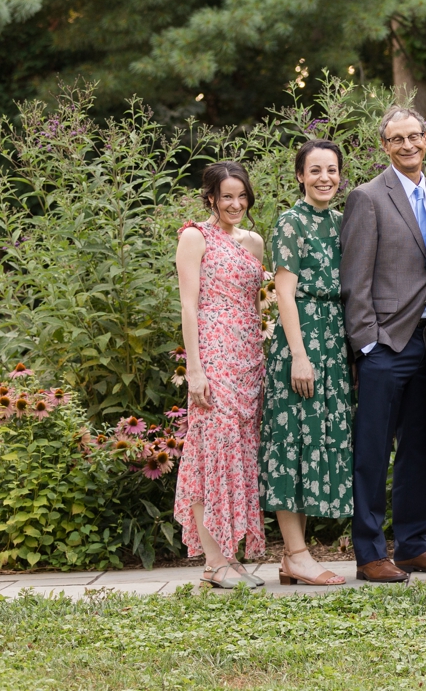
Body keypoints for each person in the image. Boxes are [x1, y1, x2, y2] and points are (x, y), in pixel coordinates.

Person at [339, 106, 426, 582]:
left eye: (415, 136)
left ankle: (412, 544)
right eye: (397, 139)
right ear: (385, 146)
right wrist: (368, 344)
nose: (408, 145)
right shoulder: (367, 198)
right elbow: (354, 279)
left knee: (420, 450)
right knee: (372, 452)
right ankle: (369, 553)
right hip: (386, 344)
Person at [260, 139, 352, 586]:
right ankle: (295, 553)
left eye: (331, 170)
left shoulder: (340, 221)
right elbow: (284, 292)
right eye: (314, 170)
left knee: (319, 437)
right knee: (293, 440)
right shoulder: (290, 222)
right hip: (303, 339)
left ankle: (295, 557)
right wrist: (299, 355)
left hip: (333, 338)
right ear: (300, 176)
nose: (324, 179)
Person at [173, 161, 268, 589]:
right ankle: (213, 561)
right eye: (226, 196)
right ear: (210, 197)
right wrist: (194, 369)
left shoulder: (254, 242)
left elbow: (258, 303)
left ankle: (230, 555)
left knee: (241, 455)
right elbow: (189, 305)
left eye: (241, 196)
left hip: (249, 356)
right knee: (210, 452)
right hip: (212, 355)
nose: (235, 204)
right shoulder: (195, 236)